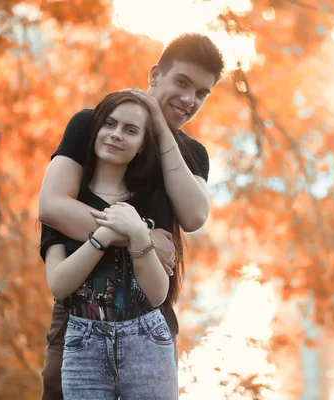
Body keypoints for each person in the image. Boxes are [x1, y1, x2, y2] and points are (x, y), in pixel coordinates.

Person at [38, 33, 224, 399]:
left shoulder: (192, 155)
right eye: (182, 83)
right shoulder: (94, 127)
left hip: (149, 318)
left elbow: (194, 216)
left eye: (202, 93)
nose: (189, 100)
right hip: (79, 320)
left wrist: (160, 127)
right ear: (155, 75)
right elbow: (53, 206)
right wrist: (139, 236)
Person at [42, 91, 183, 398]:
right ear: (95, 130)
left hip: (147, 340)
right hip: (83, 345)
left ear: (142, 145)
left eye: (130, 130)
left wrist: (139, 234)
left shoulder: (153, 201)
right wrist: (105, 235)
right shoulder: (67, 203)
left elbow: (157, 294)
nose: (116, 135)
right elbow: (59, 284)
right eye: (110, 124)